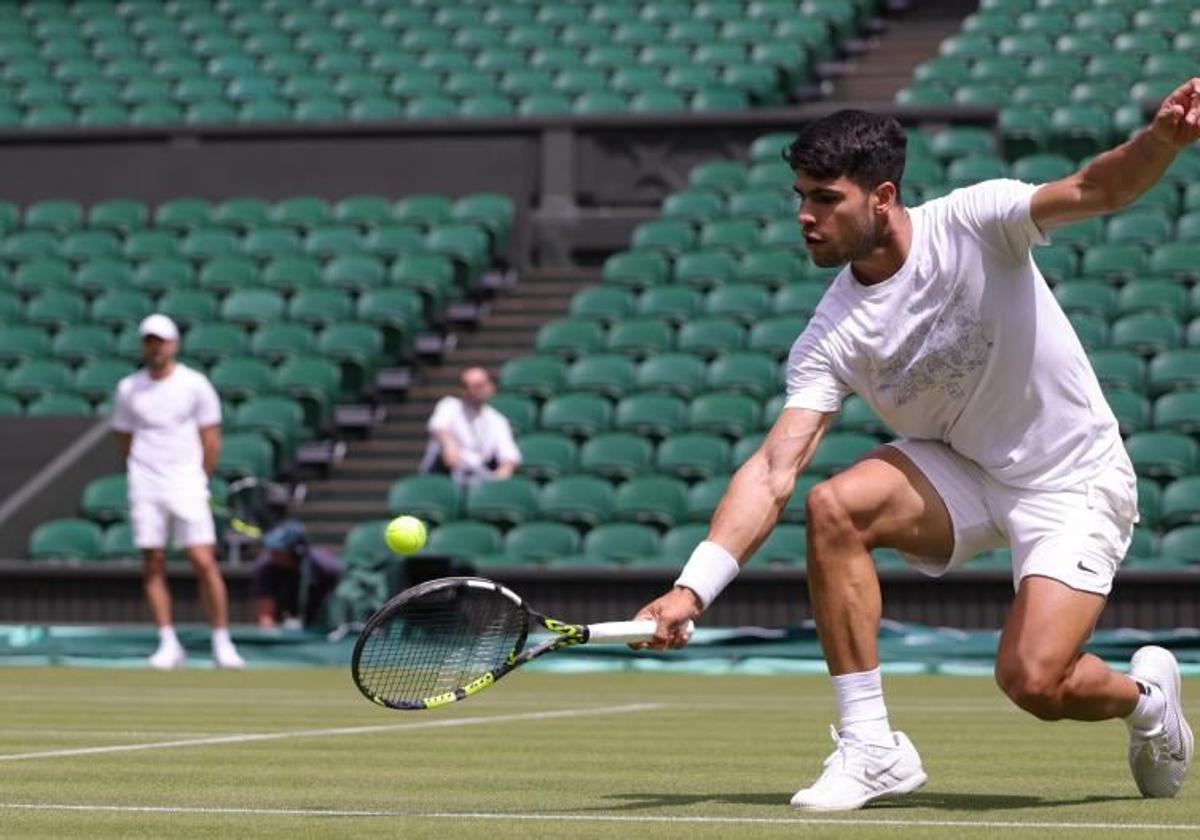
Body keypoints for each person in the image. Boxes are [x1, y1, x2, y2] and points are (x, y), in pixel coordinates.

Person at [634, 80, 1200, 810]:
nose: (805, 216)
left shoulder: (975, 220)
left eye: (825, 198)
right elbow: (776, 467)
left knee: (1034, 681)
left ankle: (1147, 701)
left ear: (883, 196)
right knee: (834, 506)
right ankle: (871, 747)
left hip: (1072, 479)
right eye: (800, 196)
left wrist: (1159, 142)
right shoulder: (829, 335)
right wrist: (692, 589)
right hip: (965, 468)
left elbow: (1094, 188)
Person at [111, 313, 245, 670]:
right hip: (145, 482)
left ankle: (221, 640)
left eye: (161, 340)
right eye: (149, 341)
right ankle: (168, 643)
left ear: (174, 344)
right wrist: (144, 469)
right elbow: (125, 438)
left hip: (186, 481)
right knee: (153, 562)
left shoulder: (195, 384)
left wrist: (198, 477)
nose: (155, 347)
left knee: (203, 560)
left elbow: (211, 439)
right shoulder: (128, 388)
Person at [421, 366, 521, 488]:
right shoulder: (450, 405)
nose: (473, 391)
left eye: (479, 386)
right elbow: (437, 426)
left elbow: (509, 455)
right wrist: (449, 443)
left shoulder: (497, 420)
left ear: (491, 387)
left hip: (478, 477)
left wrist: (504, 472)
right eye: (467, 386)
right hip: (445, 472)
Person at [252, 519, 343, 630]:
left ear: (295, 550)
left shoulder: (325, 567)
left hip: (322, 623)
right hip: (285, 626)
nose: (272, 554)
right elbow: (265, 617)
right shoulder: (265, 567)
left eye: (279, 551)